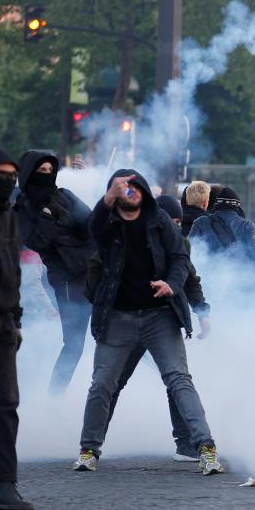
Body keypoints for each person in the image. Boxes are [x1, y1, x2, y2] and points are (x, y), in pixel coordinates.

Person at [73, 169, 224, 475]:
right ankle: (89, 450)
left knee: (179, 380)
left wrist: (172, 284)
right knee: (103, 384)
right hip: (117, 319)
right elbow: (93, 227)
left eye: (135, 186)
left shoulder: (160, 222)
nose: (130, 191)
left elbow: (182, 260)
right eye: (122, 188)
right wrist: (109, 196)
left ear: (144, 191)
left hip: (160, 318)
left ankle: (205, 448)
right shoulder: (108, 224)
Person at [97, 194, 213, 462]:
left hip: (163, 322)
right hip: (126, 322)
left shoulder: (177, 243)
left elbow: (190, 278)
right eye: (169, 220)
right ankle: (91, 444)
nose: (173, 226)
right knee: (112, 382)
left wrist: (203, 312)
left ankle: (186, 444)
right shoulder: (126, 236)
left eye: (176, 222)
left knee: (177, 380)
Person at [14, 150, 96, 395]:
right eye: (41, 171)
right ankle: (54, 397)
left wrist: (59, 220)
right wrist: (52, 221)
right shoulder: (23, 208)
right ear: (29, 173)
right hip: (69, 282)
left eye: (50, 170)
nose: (47, 175)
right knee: (74, 345)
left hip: (95, 272)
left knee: (122, 334)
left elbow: (90, 224)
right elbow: (38, 241)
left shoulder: (65, 196)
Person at [0, 149, 35, 510]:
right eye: (1, 175)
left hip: (0, 325)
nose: (9, 182)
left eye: (12, 176)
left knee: (5, 406)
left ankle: (3, 484)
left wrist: (15, 319)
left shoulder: (10, 218)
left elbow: (13, 272)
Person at [189, 186, 255, 269]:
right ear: (237, 206)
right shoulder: (245, 225)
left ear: (217, 205)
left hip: (207, 276)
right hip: (238, 277)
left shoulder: (201, 222)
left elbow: (190, 252)